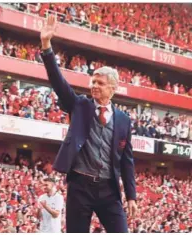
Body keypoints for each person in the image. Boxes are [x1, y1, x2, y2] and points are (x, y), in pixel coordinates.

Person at [39, 15, 137, 233]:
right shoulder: (80, 105)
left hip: (109, 189)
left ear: (113, 88)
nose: (94, 86)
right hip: (80, 185)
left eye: (100, 83)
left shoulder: (123, 120)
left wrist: (131, 196)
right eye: (93, 81)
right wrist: (47, 47)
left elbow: (127, 161)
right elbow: (59, 83)